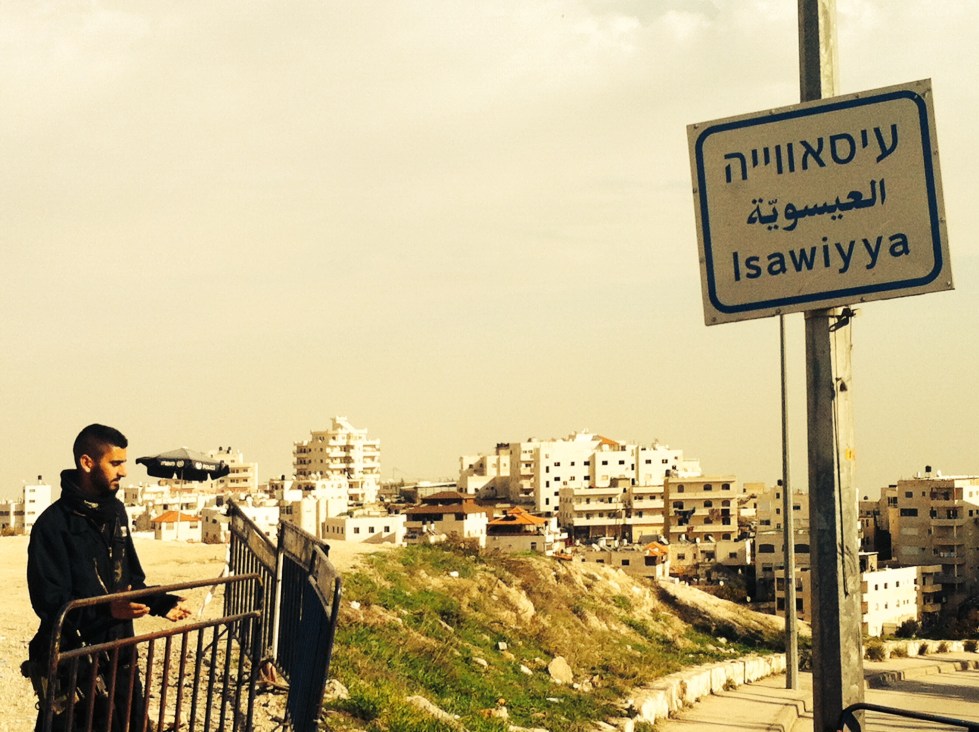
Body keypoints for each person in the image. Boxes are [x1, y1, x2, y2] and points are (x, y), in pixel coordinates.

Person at [25, 424, 191, 732]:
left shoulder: (116, 513)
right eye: (115, 463)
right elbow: (50, 603)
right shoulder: (52, 525)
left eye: (123, 462)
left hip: (122, 659)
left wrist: (159, 603)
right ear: (87, 463)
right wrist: (107, 610)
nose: (124, 471)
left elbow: (132, 580)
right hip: (76, 666)